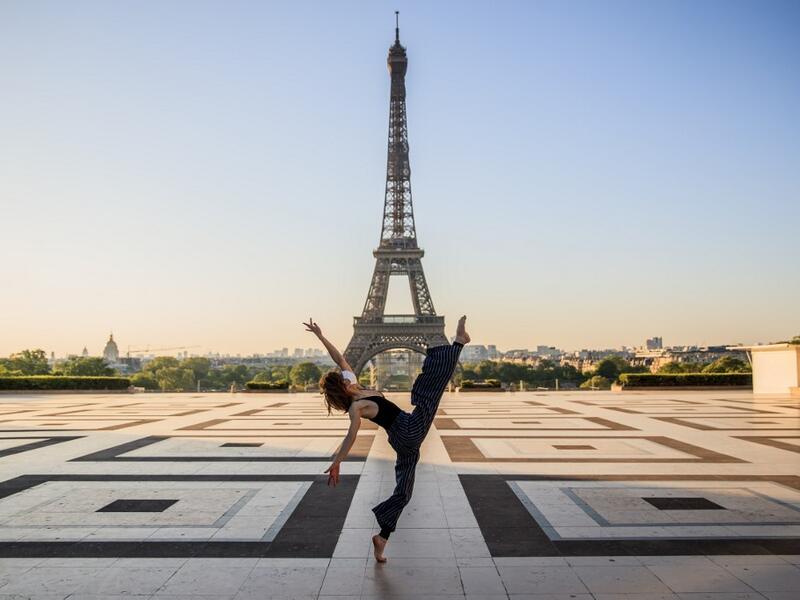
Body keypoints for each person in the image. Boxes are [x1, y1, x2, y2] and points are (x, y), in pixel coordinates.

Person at [303, 316, 469, 563]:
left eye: (345, 378)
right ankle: (458, 343)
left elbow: (339, 358)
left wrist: (319, 336)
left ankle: (381, 538)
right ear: (342, 390)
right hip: (406, 430)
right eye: (343, 381)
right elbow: (351, 436)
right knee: (428, 395)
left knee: (404, 491)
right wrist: (338, 461)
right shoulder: (356, 407)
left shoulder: (354, 385)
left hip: (402, 437)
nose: (347, 378)